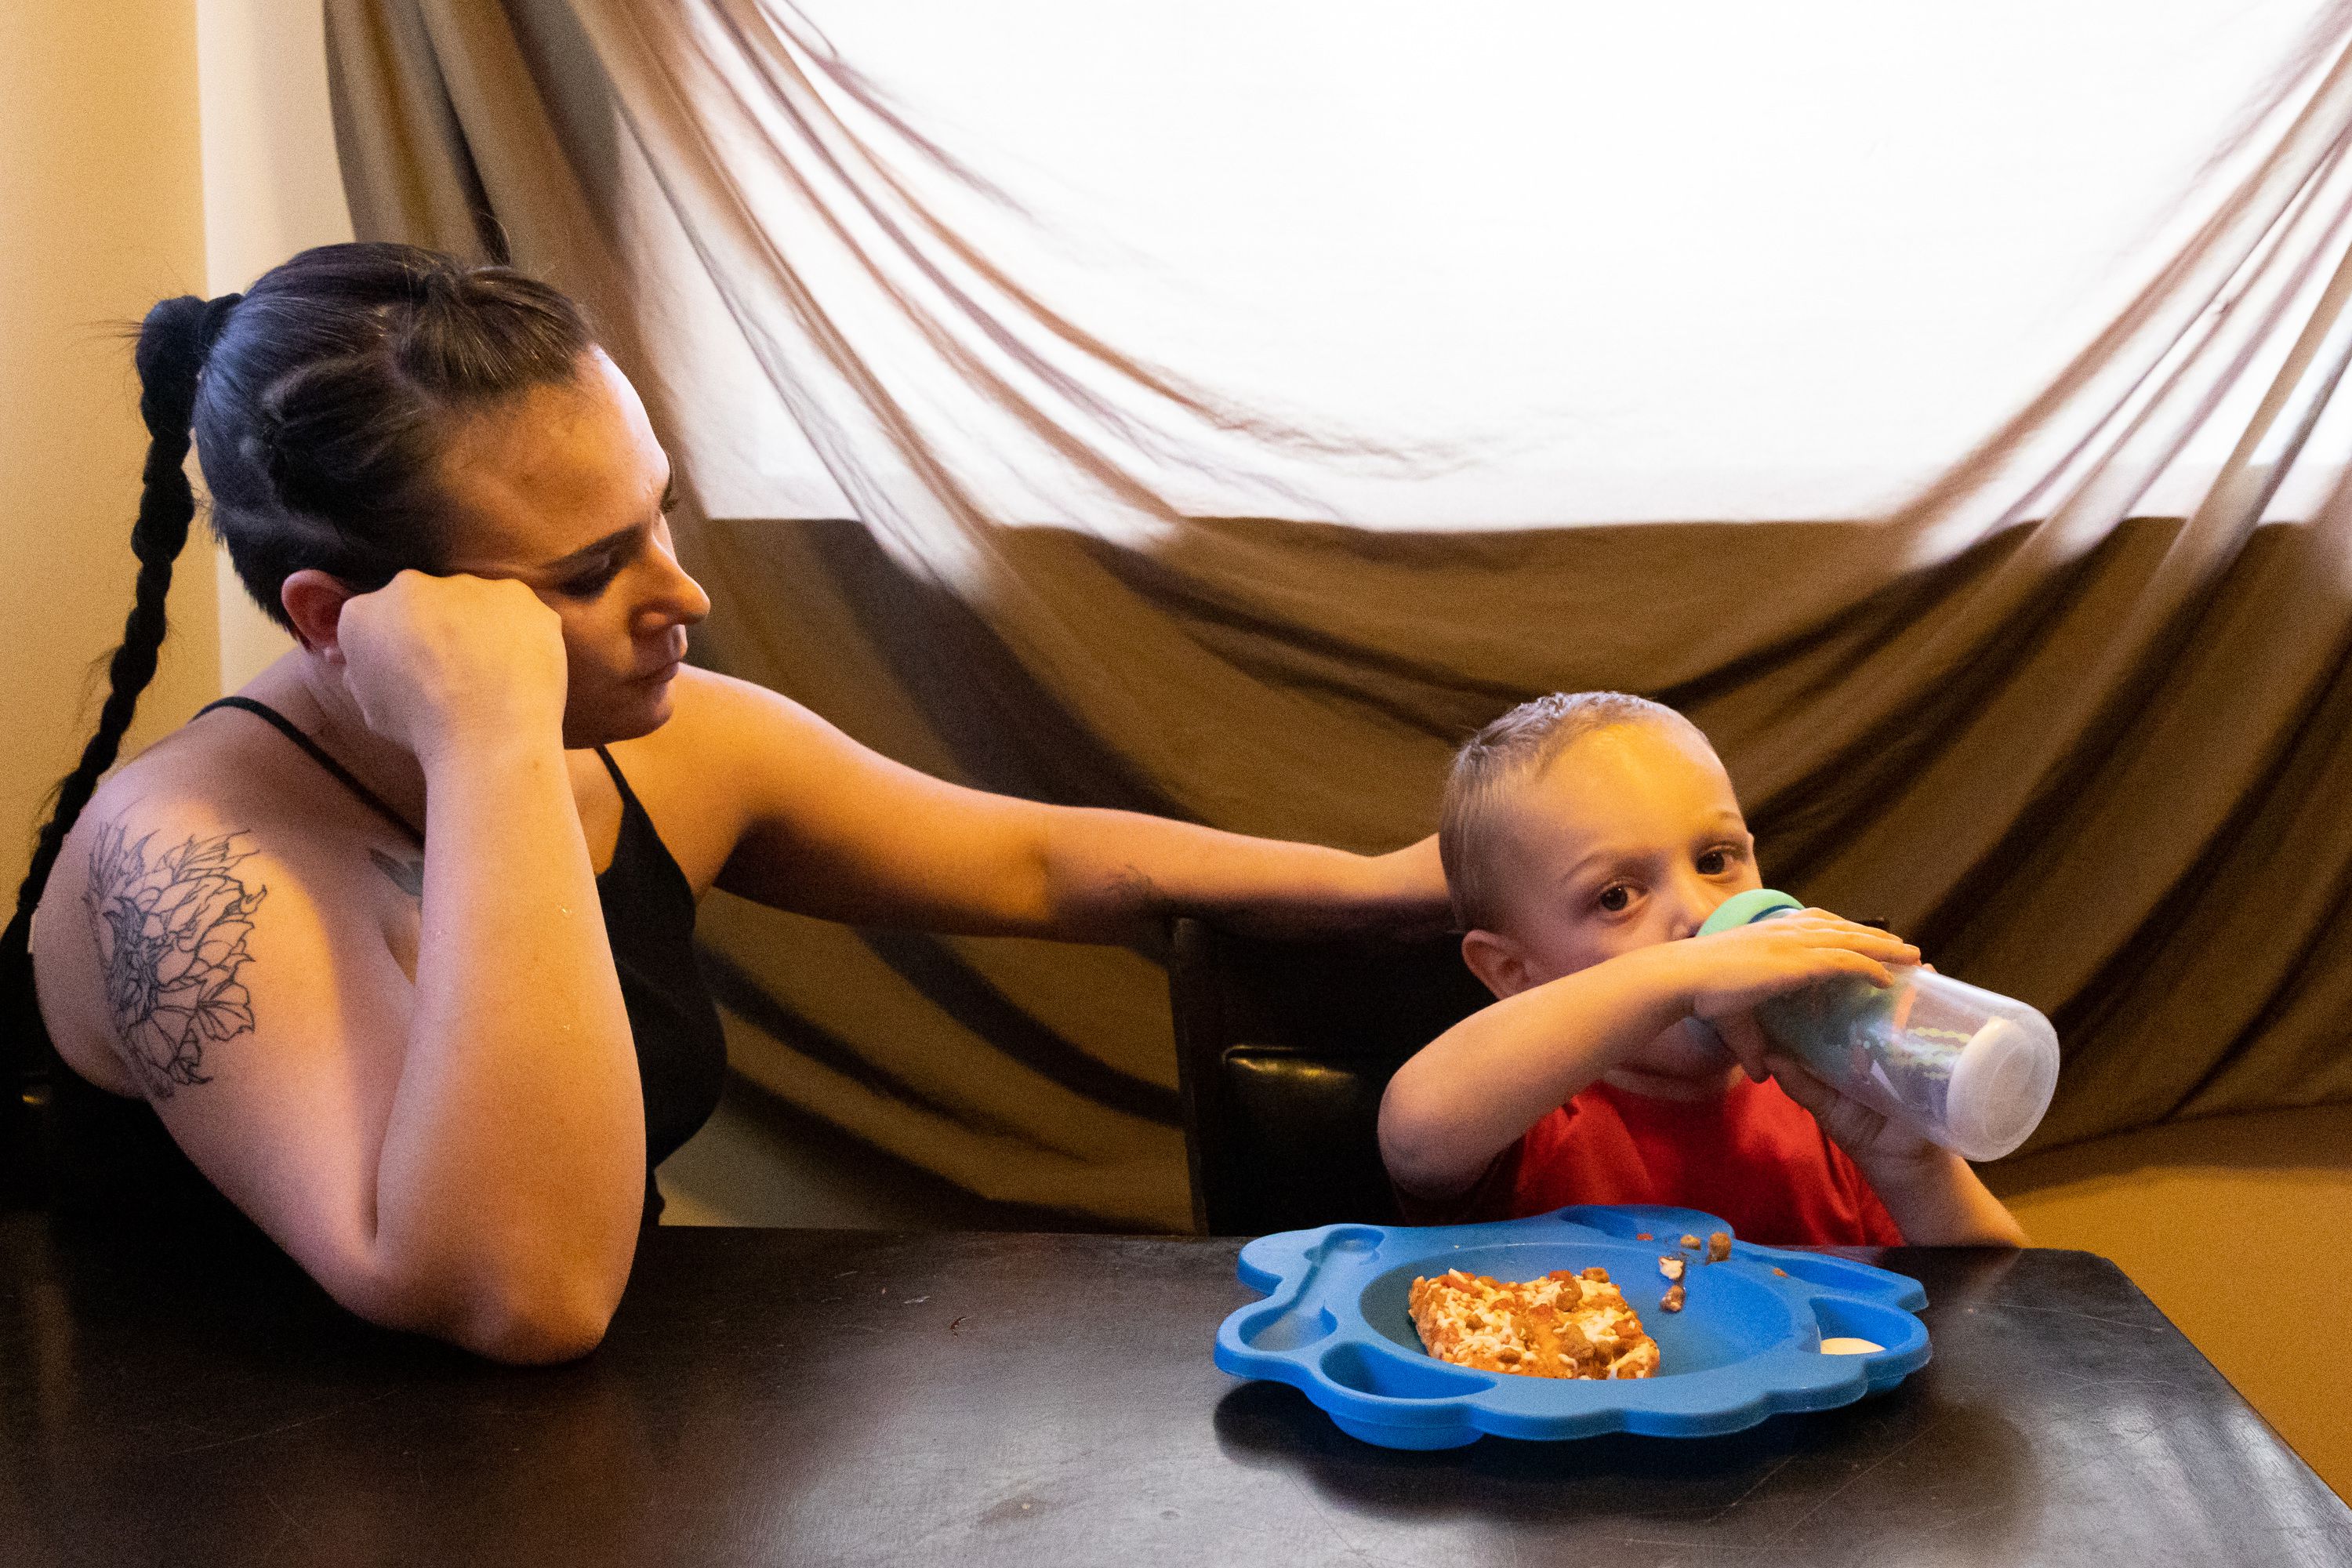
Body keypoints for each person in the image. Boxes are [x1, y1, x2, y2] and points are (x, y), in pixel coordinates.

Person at [8, 242, 1447, 1363]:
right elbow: (526, 1291)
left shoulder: (661, 746)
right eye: (586, 575)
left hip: (558, 1469)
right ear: (342, 618)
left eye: (661, 513)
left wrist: (1401, 883)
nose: (682, 594)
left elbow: (1036, 860)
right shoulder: (186, 864)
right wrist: (489, 741)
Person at [1377, 691, 2027, 1247]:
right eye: (1616, 897)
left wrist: (1916, 1171)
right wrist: (1684, 975)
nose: (1699, 913)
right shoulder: (1522, 1117)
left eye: (1717, 860)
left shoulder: (1825, 1097)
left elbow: (2010, 1318)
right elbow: (1415, 1132)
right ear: (1518, 974)